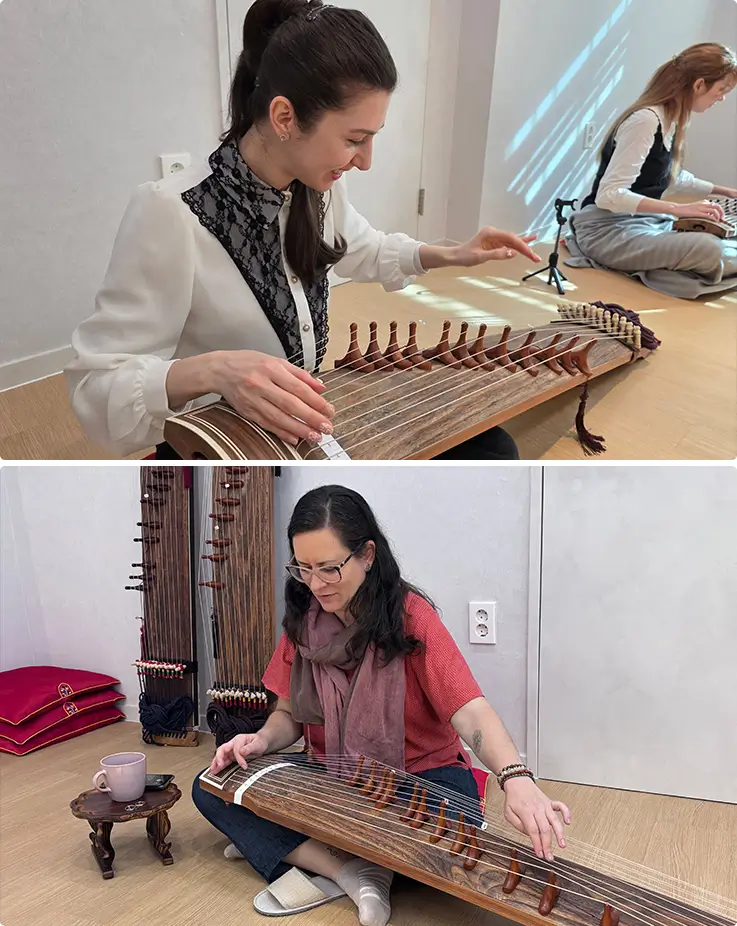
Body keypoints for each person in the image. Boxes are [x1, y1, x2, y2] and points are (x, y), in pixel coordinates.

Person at [64, 0, 540, 461]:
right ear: (284, 118)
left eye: (372, 138)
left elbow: (360, 247)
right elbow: (96, 387)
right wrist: (213, 370)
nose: (365, 162)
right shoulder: (172, 213)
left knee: (493, 448)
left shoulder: (315, 185)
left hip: (303, 417)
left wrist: (453, 254)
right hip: (224, 439)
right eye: (355, 140)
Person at [192, 485, 571, 926]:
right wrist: (259, 741)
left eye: (330, 569)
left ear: (367, 555)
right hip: (331, 771)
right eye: (304, 568)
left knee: (449, 827)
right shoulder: (304, 620)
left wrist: (515, 778)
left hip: (418, 779)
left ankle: (302, 846)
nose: (315, 584)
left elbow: (470, 711)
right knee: (210, 783)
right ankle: (350, 870)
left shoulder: (410, 617)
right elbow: (287, 716)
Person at [565, 43, 737, 300]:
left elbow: (671, 176)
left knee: (724, 241)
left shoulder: (673, 118)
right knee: (711, 250)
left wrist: (726, 192)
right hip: (605, 230)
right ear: (699, 84)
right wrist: (678, 209)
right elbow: (609, 195)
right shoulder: (645, 120)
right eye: (721, 90)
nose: (722, 97)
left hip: (642, 222)